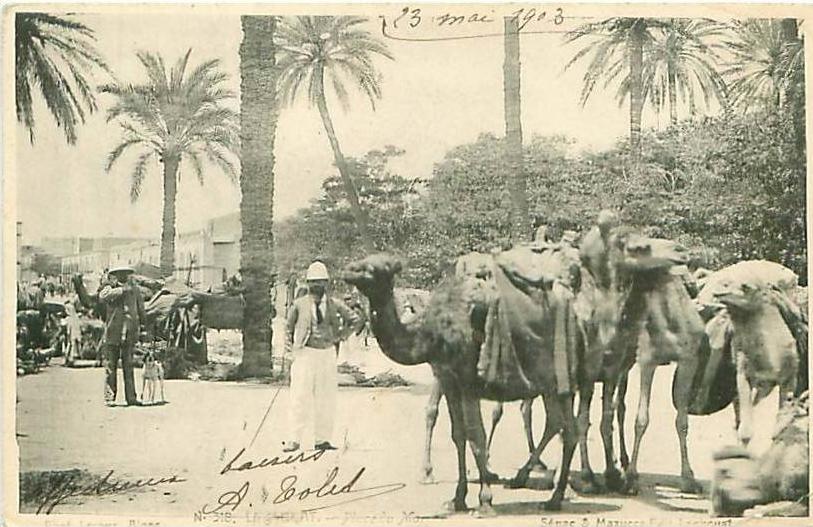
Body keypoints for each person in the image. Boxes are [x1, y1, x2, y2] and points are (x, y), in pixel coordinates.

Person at [284, 261, 360, 452]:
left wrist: (341, 335)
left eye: (320, 281)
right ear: (308, 283)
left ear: (326, 283)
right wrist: (289, 351)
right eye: (313, 282)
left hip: (327, 354)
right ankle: (294, 439)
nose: (316, 285)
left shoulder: (334, 304)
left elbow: (355, 320)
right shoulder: (299, 304)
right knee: (299, 397)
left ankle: (322, 439)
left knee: (326, 398)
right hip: (305, 354)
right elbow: (288, 328)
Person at [99, 266, 146, 407]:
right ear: (115, 275)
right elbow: (102, 297)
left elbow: (141, 309)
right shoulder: (109, 288)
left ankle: (131, 397)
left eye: (125, 273)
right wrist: (121, 290)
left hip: (129, 332)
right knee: (110, 366)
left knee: (128, 366)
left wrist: (143, 328)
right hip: (113, 332)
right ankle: (110, 397)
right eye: (120, 273)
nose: (123, 275)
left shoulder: (135, 290)